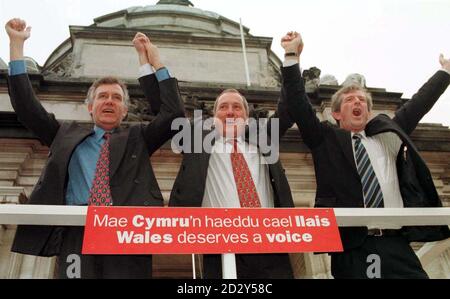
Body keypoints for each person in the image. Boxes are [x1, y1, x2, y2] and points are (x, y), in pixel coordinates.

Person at [5, 18, 185, 278]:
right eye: (102, 96)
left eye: (116, 98)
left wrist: (151, 63)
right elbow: (27, 108)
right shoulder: (64, 134)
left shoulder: (138, 137)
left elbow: (173, 115)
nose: (109, 102)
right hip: (77, 231)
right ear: (90, 106)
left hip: (126, 234)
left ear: (124, 110)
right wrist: (16, 46)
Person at [280, 31, 450, 278]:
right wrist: (291, 55)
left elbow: (417, 105)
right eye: (350, 100)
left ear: (369, 112)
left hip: (396, 244)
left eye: (362, 100)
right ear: (336, 114)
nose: (357, 103)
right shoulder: (325, 139)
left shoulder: (387, 138)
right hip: (353, 248)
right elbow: (297, 103)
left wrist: (445, 72)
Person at [168, 80, 296, 278]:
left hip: (270, 243)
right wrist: (155, 66)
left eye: (237, 107)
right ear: (213, 117)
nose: (230, 113)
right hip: (220, 245)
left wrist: (290, 59)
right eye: (223, 107)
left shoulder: (264, 139)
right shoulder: (197, 142)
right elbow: (168, 110)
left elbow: (290, 106)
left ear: (246, 117)